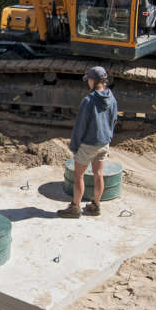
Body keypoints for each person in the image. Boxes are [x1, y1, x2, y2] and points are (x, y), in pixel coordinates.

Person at [59, 66, 118, 218]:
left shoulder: (88, 101)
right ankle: (95, 206)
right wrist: (108, 136)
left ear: (92, 80)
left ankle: (75, 208)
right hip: (103, 142)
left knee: (79, 176)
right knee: (98, 173)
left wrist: (74, 145)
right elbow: (114, 119)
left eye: (89, 80)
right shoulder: (111, 97)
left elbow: (80, 126)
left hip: (88, 144)